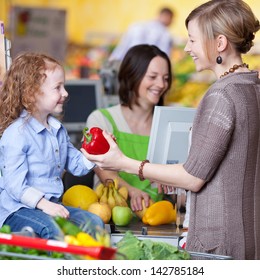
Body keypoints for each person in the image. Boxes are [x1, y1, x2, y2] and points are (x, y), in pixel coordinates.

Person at [83, 0, 260, 260]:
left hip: (220, 242)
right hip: (249, 235)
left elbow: (192, 177)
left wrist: (124, 162)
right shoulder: (251, 87)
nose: (187, 48)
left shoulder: (221, 95)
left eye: (192, 40)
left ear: (219, 43)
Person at [0, 52, 104, 240]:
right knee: (53, 230)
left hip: (51, 206)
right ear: (32, 93)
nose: (65, 93)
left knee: (95, 224)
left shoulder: (57, 130)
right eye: (58, 87)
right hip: (17, 210)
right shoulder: (16, 135)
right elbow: (15, 186)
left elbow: (76, 165)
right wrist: (44, 205)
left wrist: (98, 149)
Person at [86, 44, 172, 211]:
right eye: (153, 76)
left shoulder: (167, 126)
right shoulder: (102, 119)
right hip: (109, 217)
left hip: (155, 217)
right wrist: (131, 191)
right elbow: (103, 170)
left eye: (166, 78)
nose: (161, 84)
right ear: (133, 76)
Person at [109, 7, 174, 62]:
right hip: (145, 67)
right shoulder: (165, 34)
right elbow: (164, 55)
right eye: (172, 18)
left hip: (127, 63)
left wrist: (112, 60)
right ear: (167, 16)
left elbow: (122, 47)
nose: (172, 22)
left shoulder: (136, 25)